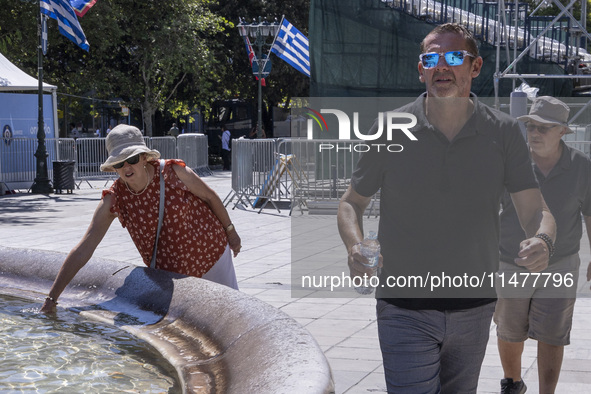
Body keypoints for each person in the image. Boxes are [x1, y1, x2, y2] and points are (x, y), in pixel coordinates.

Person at [337, 23, 556, 393]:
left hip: (475, 306)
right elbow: (350, 204)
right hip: (403, 306)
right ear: (420, 69)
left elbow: (537, 211)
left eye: (454, 57)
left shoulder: (503, 133)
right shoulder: (390, 128)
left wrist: (544, 241)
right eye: (431, 58)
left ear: (475, 67)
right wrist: (355, 246)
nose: (442, 66)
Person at [40, 124, 241, 313]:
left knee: (229, 316)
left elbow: (210, 196)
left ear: (144, 157)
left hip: (211, 256)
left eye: (133, 159)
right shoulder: (114, 199)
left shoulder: (173, 172)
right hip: (172, 276)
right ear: (114, 167)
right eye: (120, 162)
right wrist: (52, 298)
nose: (127, 166)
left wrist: (231, 233)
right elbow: (85, 248)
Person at [494, 96, 591, 394]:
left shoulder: (582, 167)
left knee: (553, 334)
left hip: (561, 262)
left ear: (562, 131)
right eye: (531, 127)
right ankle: (513, 383)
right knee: (510, 330)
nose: (535, 133)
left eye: (544, 128)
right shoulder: (512, 162)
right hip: (513, 260)